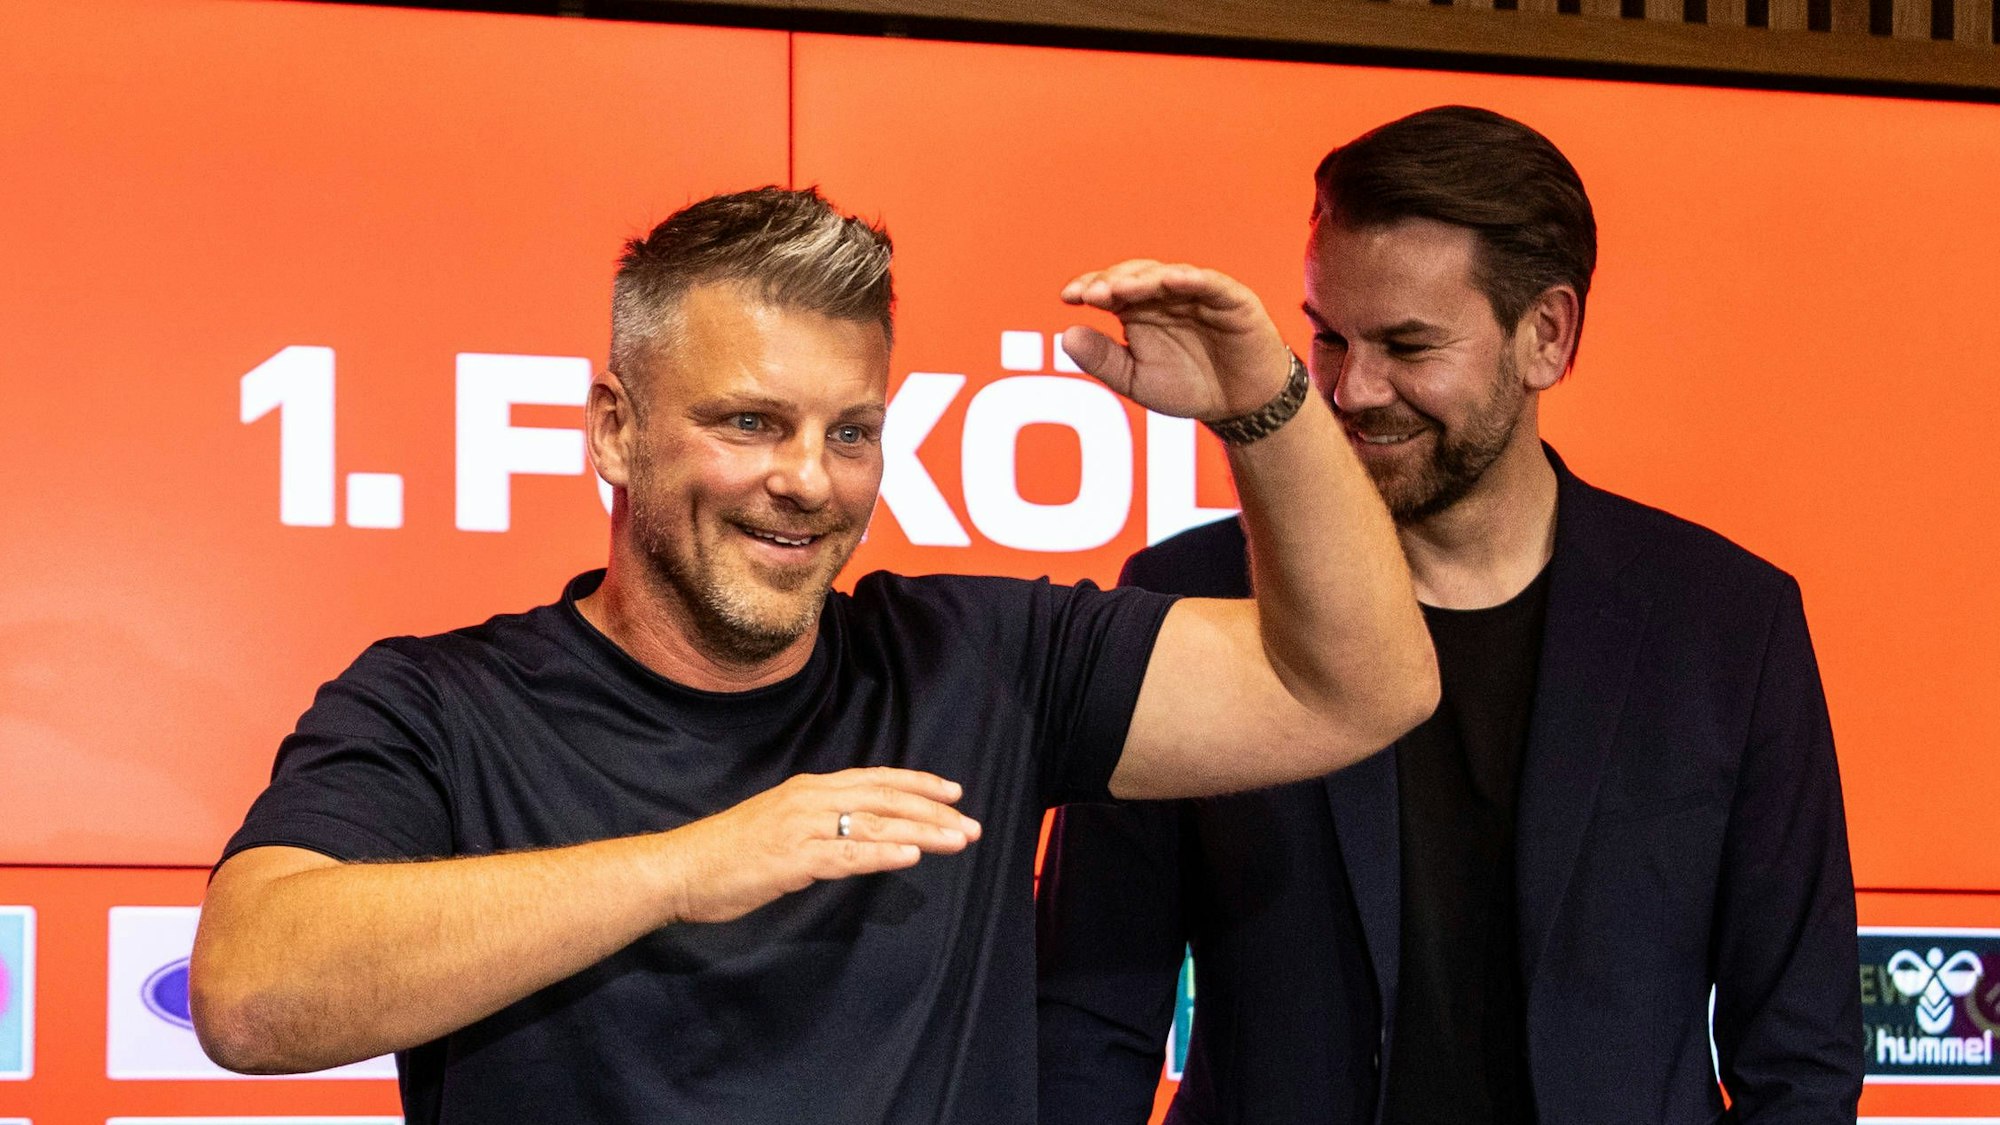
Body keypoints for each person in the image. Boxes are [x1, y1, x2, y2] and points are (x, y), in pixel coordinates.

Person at [187, 186, 1437, 1124]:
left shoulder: (983, 661)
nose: (806, 481)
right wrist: (688, 868)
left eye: (851, 432)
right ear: (614, 430)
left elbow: (1359, 686)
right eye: (748, 422)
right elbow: (250, 995)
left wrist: (1265, 406)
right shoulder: (439, 706)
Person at [1036, 106, 1864, 1125]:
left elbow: (1800, 1054)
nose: (1349, 388)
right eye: (1326, 337)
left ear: (1545, 336)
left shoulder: (1726, 624)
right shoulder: (1187, 599)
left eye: (1407, 345)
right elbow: (1084, 1021)